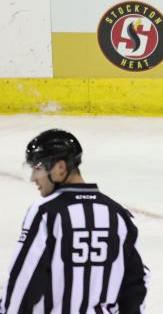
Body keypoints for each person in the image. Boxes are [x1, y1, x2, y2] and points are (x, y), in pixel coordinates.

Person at [1, 129, 149, 313]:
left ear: (60, 167)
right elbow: (136, 281)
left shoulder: (46, 213)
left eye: (37, 168)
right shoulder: (119, 215)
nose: (33, 178)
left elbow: (24, 279)